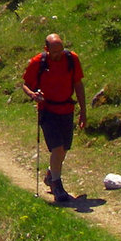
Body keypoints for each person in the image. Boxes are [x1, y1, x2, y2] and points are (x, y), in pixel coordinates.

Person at [22, 33, 86, 203]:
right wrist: (33, 95)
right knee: (57, 148)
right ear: (46, 49)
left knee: (64, 149)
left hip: (67, 109)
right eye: (54, 52)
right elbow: (25, 84)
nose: (58, 55)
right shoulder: (38, 62)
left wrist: (83, 111)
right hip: (47, 109)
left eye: (61, 50)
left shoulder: (72, 59)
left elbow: (78, 84)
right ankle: (57, 186)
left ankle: (51, 174)